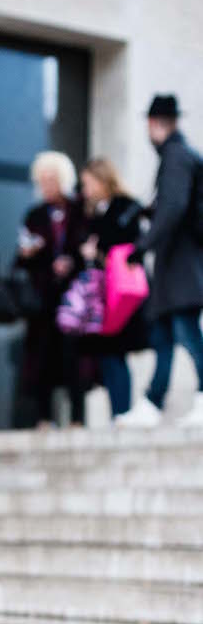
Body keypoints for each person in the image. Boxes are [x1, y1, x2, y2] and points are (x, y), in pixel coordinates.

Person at [117, 95, 203, 428]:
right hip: (176, 266)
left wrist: (142, 245)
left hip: (182, 265)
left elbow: (173, 207)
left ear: (154, 124)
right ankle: (153, 402)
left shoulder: (176, 156)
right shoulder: (181, 156)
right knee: (164, 335)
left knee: (186, 332)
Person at [16, 151, 85, 426]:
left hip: (74, 298)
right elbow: (19, 259)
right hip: (42, 299)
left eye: (51, 180)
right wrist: (30, 254)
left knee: (74, 357)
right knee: (41, 358)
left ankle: (77, 419)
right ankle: (44, 418)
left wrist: (73, 261)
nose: (46, 186)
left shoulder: (78, 211)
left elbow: (87, 247)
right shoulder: (34, 216)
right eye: (42, 181)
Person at [77, 158, 146, 421]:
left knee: (116, 351)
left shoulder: (125, 207)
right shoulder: (92, 212)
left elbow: (130, 241)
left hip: (120, 291)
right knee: (107, 354)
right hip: (101, 294)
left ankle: (123, 413)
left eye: (88, 183)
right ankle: (118, 414)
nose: (86, 190)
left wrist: (99, 247)